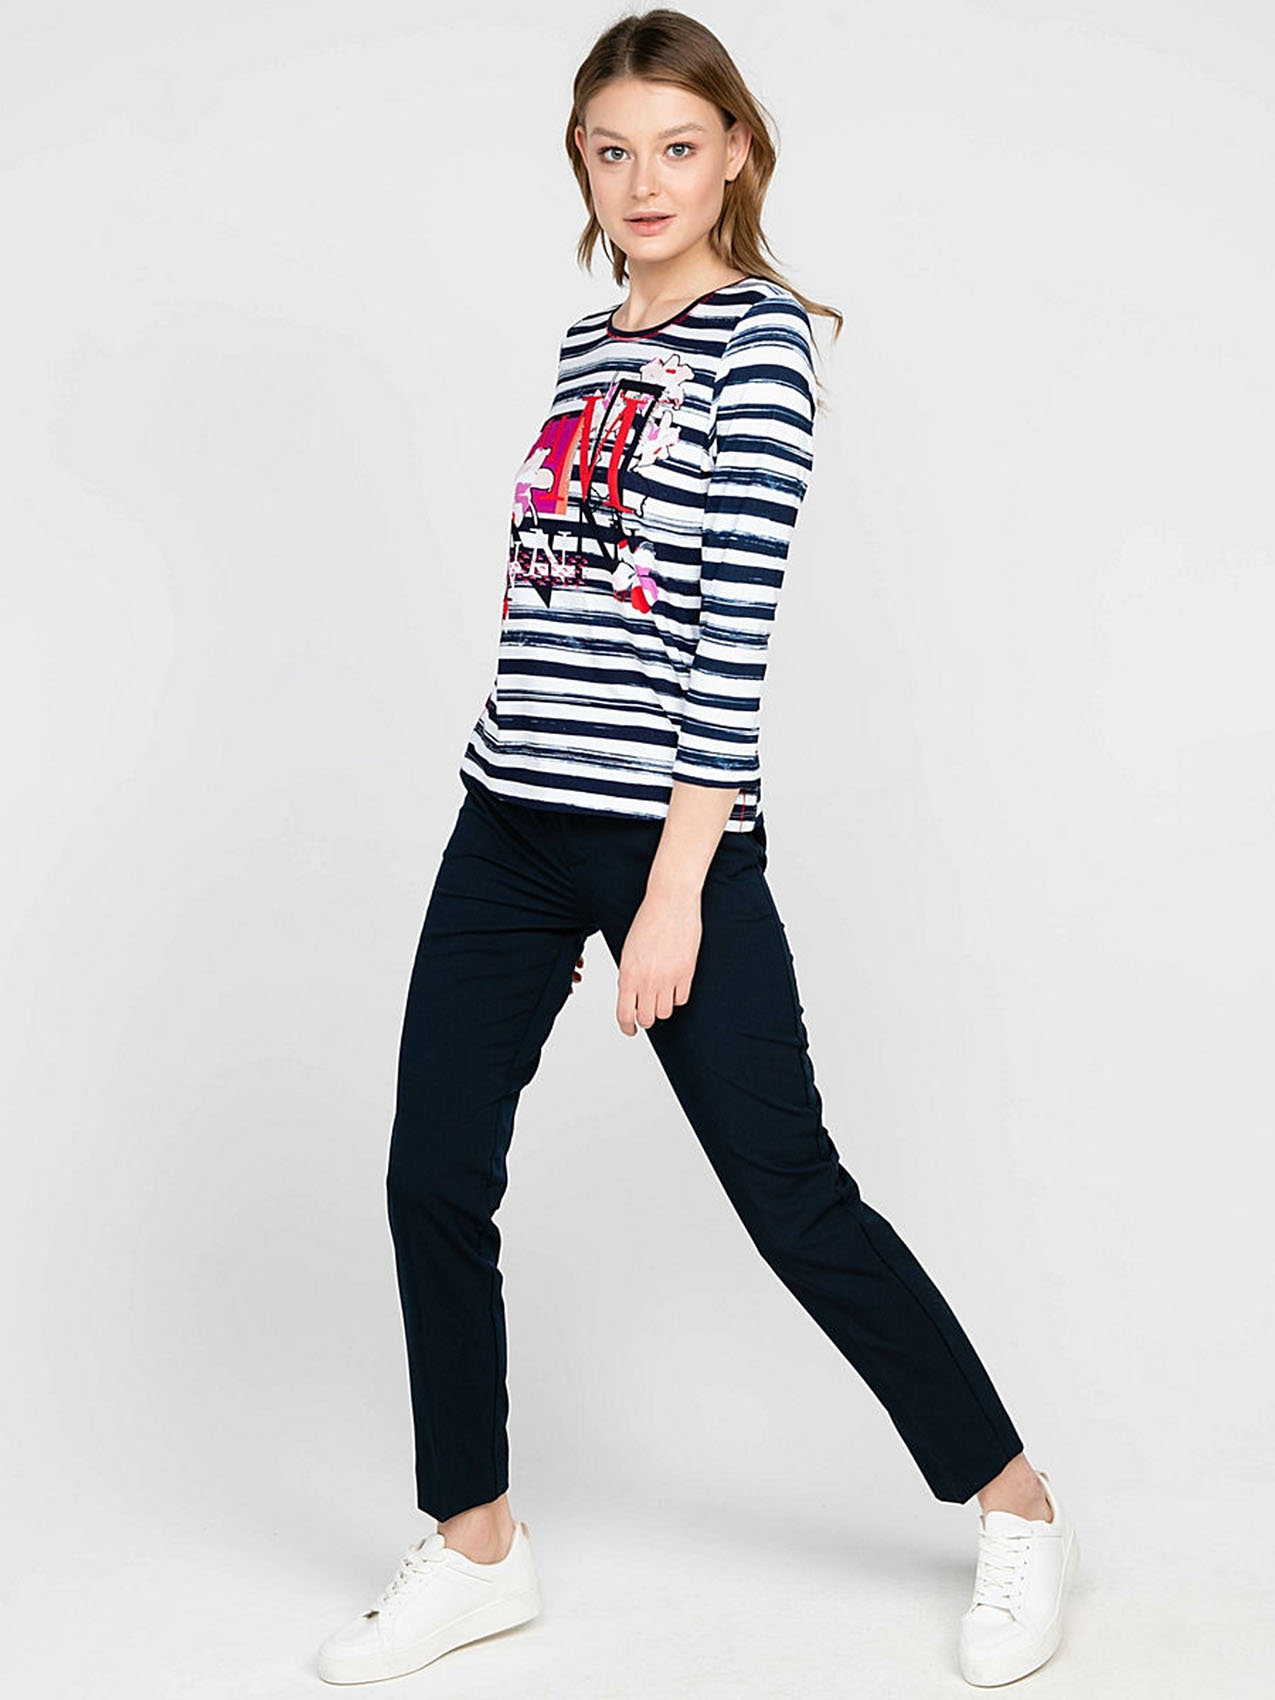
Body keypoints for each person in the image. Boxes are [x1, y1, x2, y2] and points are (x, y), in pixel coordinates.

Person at [317, 8, 1079, 1690]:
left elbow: (733, 635)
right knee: (432, 1173)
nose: (645, 179)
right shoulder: (585, 348)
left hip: (674, 838)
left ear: (736, 149)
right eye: (614, 150)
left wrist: (672, 893)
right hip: (507, 820)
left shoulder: (766, 346)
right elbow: (562, 598)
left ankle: (1017, 1503)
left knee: (790, 1196)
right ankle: (477, 1544)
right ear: (582, 167)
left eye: (677, 144)